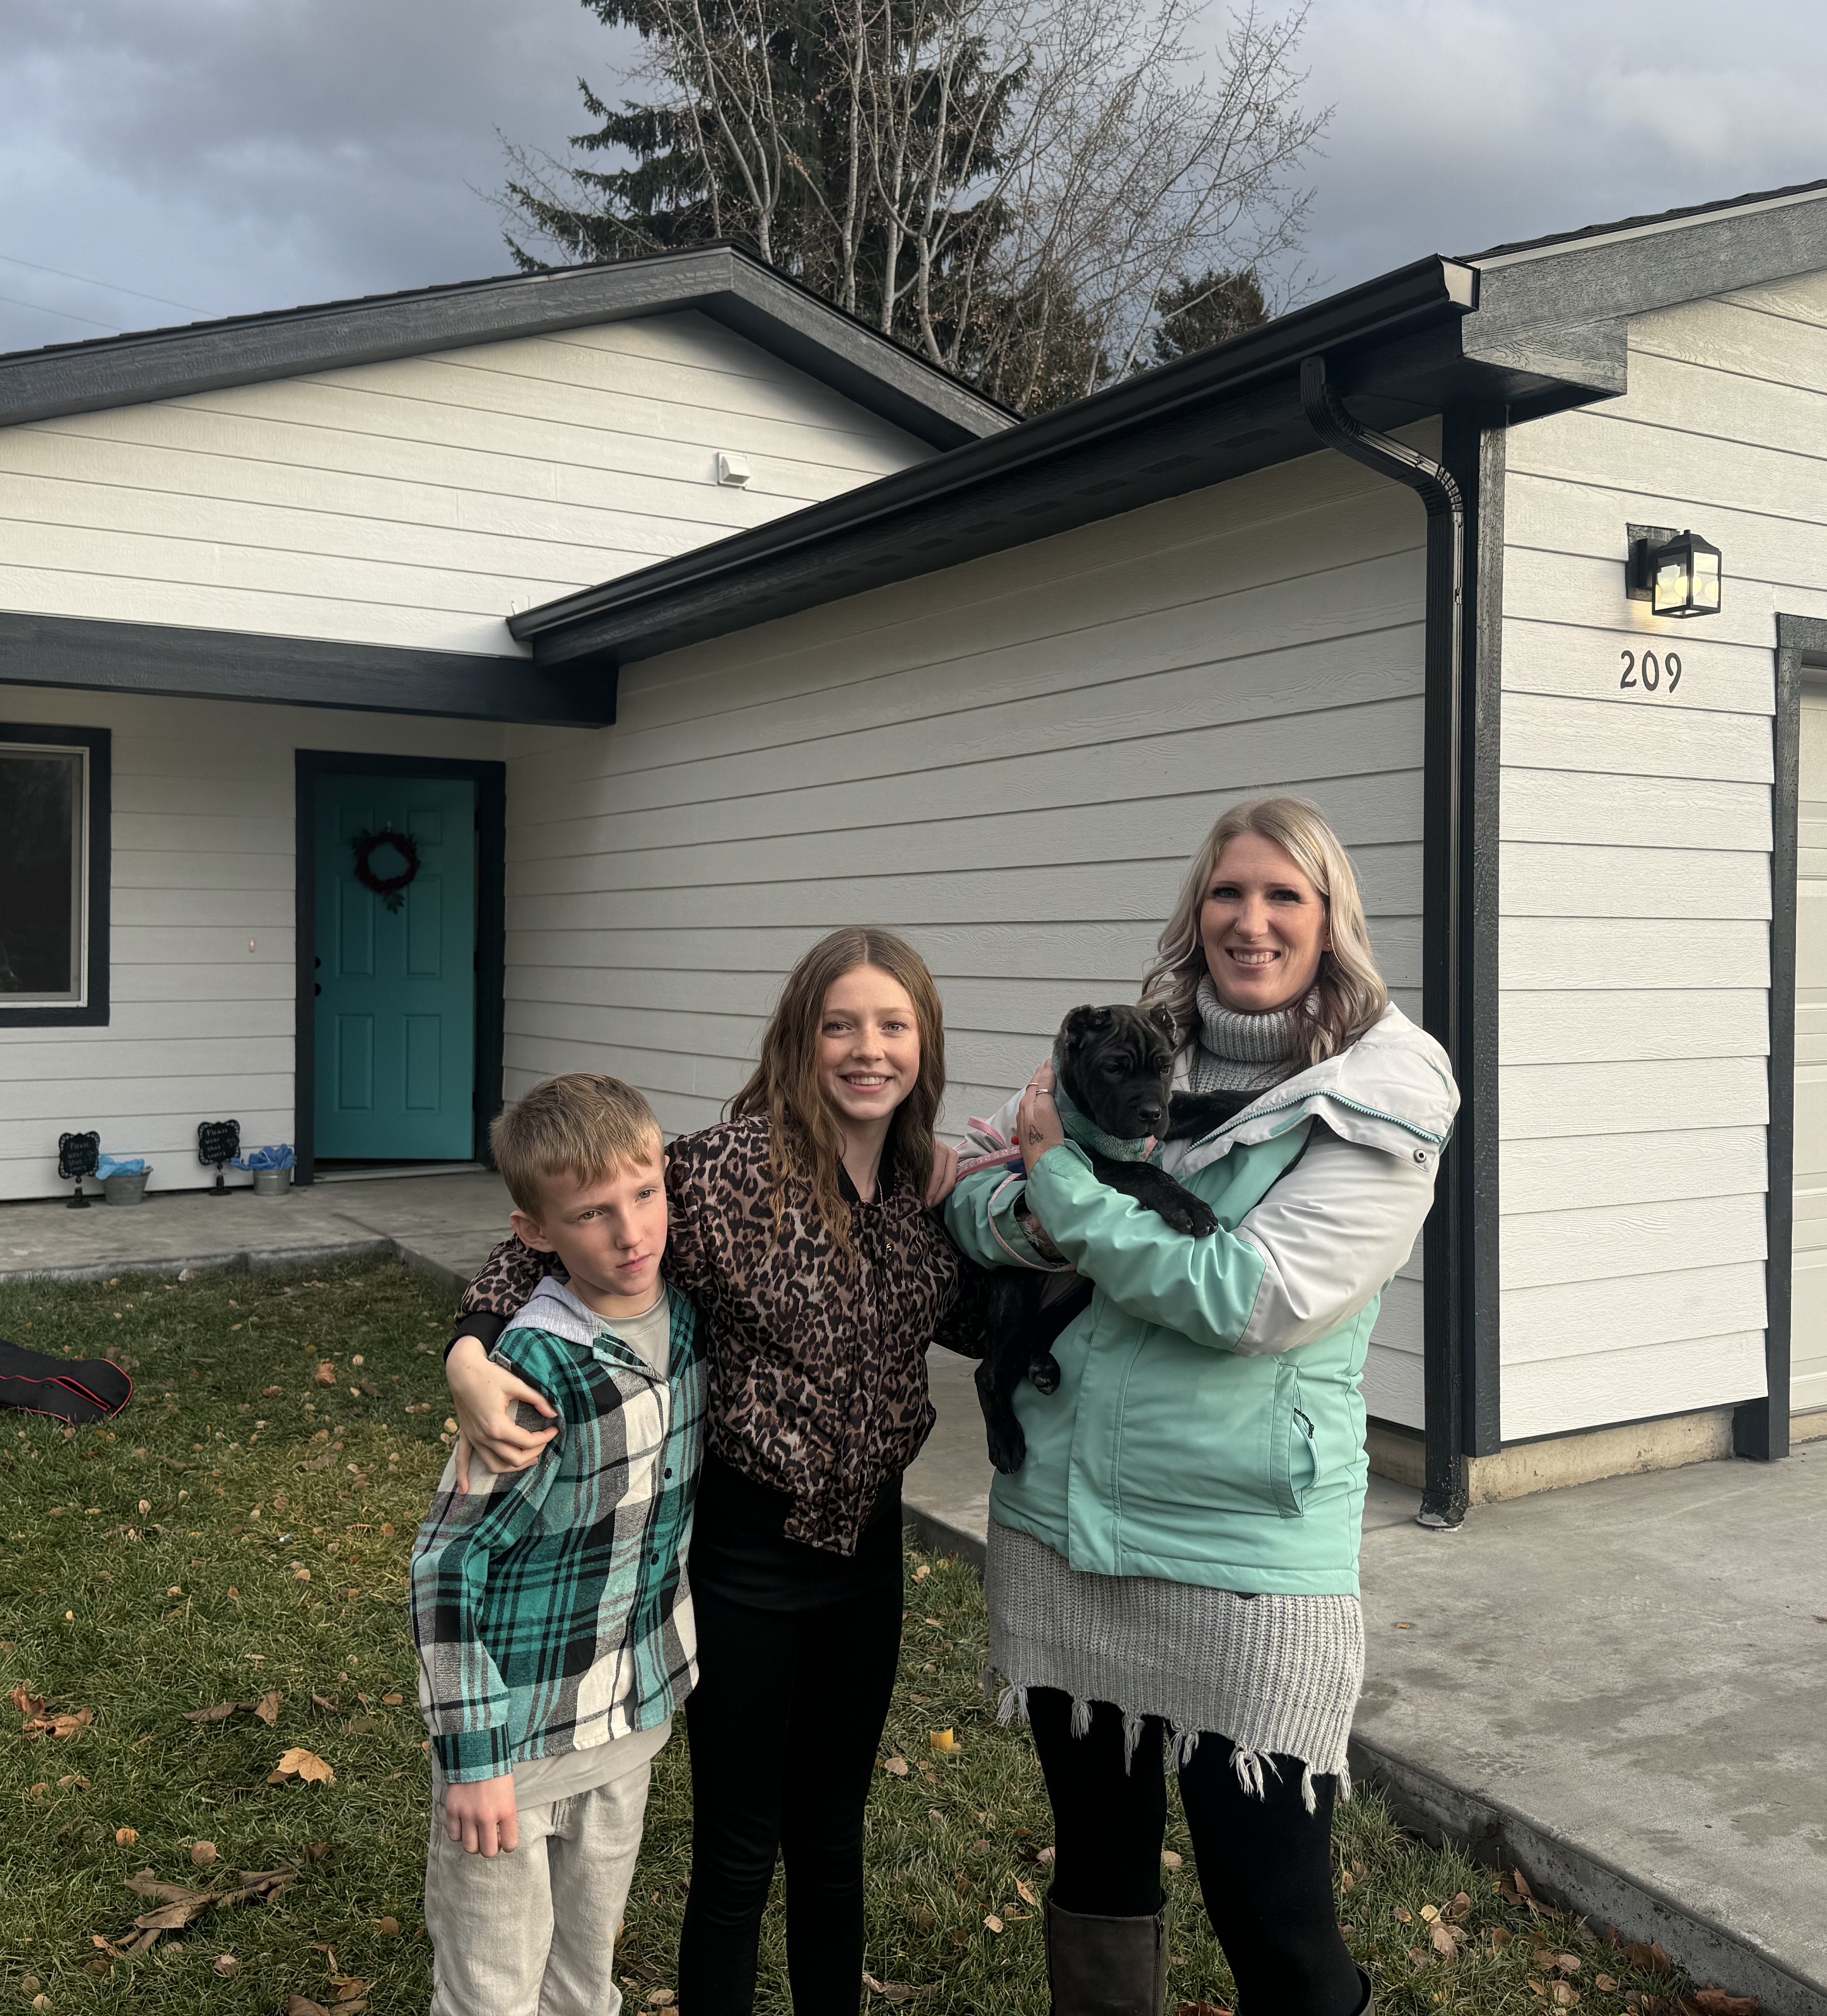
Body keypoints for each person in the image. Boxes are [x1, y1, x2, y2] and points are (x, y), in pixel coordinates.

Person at [947, 796, 1460, 2016]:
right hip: (1063, 1523)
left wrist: (1057, 1187)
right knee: (1100, 1874)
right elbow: (977, 1192)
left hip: (1241, 1557)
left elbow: (1252, 1297)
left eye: (1285, 895)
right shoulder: (1131, 1049)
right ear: (1198, 911)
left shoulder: (1379, 1094)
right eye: (1229, 893)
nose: (1253, 919)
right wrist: (1026, 1198)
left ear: (1331, 919)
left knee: (1274, 1916)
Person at [442, 928, 974, 2014]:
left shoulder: (927, 1189)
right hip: (747, 1559)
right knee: (741, 1848)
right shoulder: (731, 1173)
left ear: (924, 1041)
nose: (866, 1049)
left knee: (833, 1833)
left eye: (892, 1024)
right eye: (840, 1025)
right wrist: (468, 1349)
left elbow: (980, 1316)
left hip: (867, 1557)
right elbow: (563, 1220)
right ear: (799, 1038)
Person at [410, 1072, 701, 2016]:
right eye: (590, 1215)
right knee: (495, 1989)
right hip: (520, 1745)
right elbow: (446, 1565)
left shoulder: (691, 1317)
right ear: (534, 1232)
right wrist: (473, 1759)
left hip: (630, 1718)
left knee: (585, 1977)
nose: (631, 1233)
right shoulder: (532, 1368)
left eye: (645, 1195)